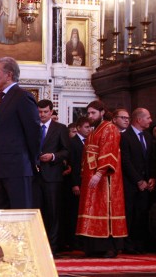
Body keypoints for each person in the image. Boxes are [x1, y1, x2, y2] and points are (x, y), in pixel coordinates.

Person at [76, 100, 127, 258]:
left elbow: (109, 152)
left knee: (105, 208)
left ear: (102, 112)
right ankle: (93, 247)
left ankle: (109, 247)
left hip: (105, 178)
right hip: (91, 178)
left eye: (93, 113)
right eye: (88, 113)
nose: (90, 116)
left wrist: (99, 173)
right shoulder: (93, 132)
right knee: (91, 208)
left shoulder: (109, 128)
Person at [0, 57, 41, 209]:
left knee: (20, 213)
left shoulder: (22, 96)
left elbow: (33, 132)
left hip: (17, 168)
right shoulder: (0, 99)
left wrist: (33, 160)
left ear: (9, 75)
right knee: (2, 216)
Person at [34, 99, 69, 253]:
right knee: (37, 211)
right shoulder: (32, 127)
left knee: (53, 212)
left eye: (45, 112)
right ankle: (38, 245)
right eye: (40, 112)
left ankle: (53, 247)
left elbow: (66, 151)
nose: (42, 115)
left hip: (53, 176)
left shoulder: (60, 128)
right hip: (34, 176)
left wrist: (53, 156)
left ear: (51, 112)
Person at [121, 108, 156, 254]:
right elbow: (125, 161)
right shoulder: (125, 137)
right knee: (130, 214)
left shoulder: (147, 136)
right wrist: (138, 180)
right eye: (148, 118)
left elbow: (151, 159)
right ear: (138, 119)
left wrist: (152, 177)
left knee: (142, 214)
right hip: (130, 184)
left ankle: (139, 244)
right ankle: (128, 245)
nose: (150, 121)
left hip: (146, 184)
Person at [64, 116, 91, 250]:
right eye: (86, 127)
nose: (89, 129)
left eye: (90, 127)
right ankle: (73, 241)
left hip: (87, 182)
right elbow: (73, 164)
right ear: (78, 128)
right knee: (74, 212)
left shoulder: (90, 141)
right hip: (76, 182)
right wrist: (75, 183)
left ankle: (83, 240)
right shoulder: (72, 142)